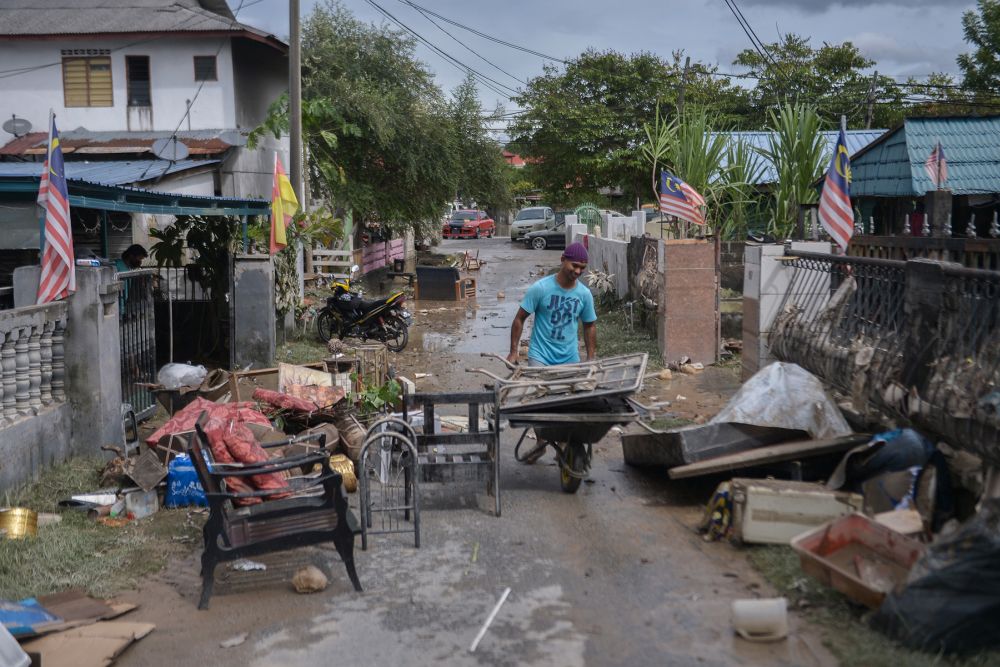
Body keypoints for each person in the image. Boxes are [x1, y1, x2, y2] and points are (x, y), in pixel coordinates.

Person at [507, 241, 598, 366]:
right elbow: (519, 318)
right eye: (574, 265)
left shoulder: (584, 294)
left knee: (580, 386)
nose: (578, 271)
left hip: (570, 358)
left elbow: (590, 326)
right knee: (536, 385)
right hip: (540, 356)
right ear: (562, 259)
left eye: (582, 268)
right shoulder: (541, 288)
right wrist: (513, 352)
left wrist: (591, 359)